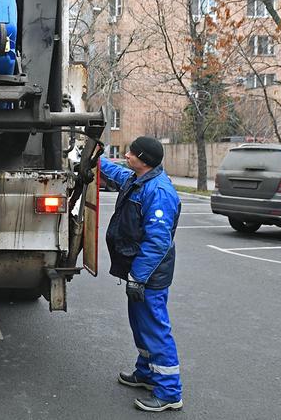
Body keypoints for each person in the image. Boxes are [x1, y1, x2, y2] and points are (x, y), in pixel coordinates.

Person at [100, 136, 183, 412]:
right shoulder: (138, 179)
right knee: (140, 325)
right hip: (139, 272)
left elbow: (157, 242)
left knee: (155, 329)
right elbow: (115, 172)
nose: (127, 155)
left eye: (132, 153)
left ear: (144, 160)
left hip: (149, 276)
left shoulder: (159, 191)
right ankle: (146, 373)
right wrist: (95, 159)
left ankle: (169, 392)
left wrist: (138, 276)